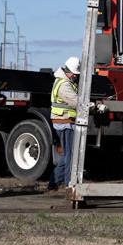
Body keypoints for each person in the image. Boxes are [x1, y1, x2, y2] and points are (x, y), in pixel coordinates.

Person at [48, 56, 81, 191]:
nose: (75, 76)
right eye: (74, 73)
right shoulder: (64, 85)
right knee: (70, 156)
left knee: (67, 155)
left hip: (64, 122)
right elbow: (76, 102)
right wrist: (93, 106)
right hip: (65, 122)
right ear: (68, 71)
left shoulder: (65, 81)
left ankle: (53, 182)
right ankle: (69, 184)